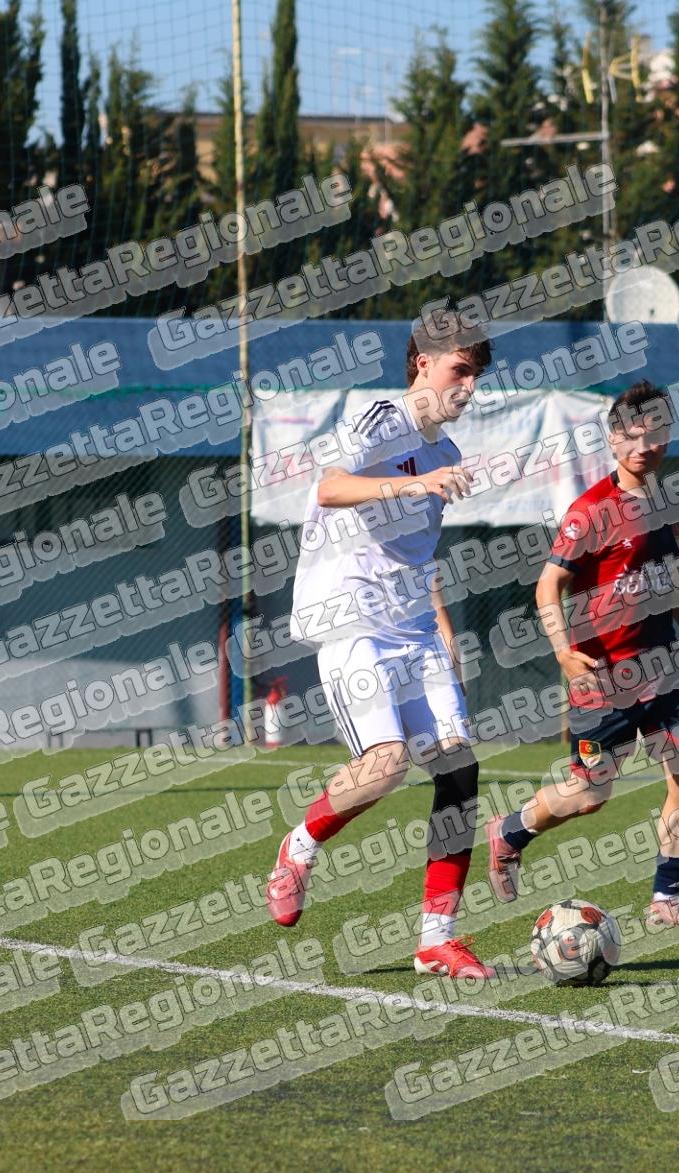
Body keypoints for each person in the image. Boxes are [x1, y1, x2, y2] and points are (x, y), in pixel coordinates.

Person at [265, 309, 494, 979]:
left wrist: (442, 626)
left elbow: (416, 556)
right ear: (423, 363)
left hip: (414, 631)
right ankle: (300, 846)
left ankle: (436, 939)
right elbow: (330, 487)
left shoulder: (447, 455)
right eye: (460, 370)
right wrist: (412, 482)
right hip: (352, 623)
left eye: (476, 376)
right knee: (386, 765)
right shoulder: (380, 420)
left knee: (459, 771)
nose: (469, 387)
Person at [483, 379, 679, 928]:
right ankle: (510, 831)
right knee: (589, 795)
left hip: (665, 670)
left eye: (654, 435)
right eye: (632, 437)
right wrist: (563, 653)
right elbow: (548, 586)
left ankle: (667, 899)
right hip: (604, 677)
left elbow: (674, 583)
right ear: (613, 440)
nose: (644, 447)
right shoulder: (589, 511)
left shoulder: (671, 504)